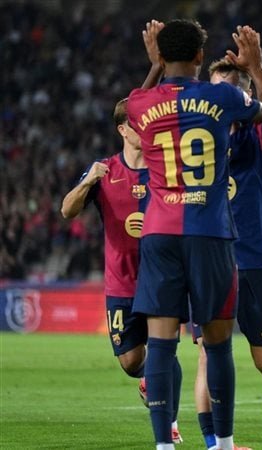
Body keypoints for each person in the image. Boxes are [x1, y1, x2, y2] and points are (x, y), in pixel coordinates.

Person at [126, 20, 262, 450]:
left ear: (161, 56)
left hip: (159, 232)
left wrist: (154, 68)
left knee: (161, 345)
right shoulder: (223, 96)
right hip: (210, 232)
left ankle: (164, 445)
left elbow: (132, 111)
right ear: (200, 56)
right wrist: (257, 66)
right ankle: (224, 445)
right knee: (217, 346)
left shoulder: (140, 102)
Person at [61, 97, 184, 443]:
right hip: (121, 282)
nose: (144, 127)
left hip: (161, 278)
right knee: (131, 362)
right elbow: (67, 210)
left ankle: (169, 424)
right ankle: (148, 378)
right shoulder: (105, 170)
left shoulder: (165, 169)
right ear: (122, 130)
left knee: (163, 349)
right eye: (136, 123)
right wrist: (88, 182)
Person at [184, 57, 262, 450]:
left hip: (253, 261)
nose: (224, 96)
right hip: (209, 260)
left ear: (247, 95)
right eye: (218, 88)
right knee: (208, 354)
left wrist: (259, 68)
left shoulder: (258, 136)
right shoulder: (193, 138)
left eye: (234, 88)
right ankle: (214, 443)